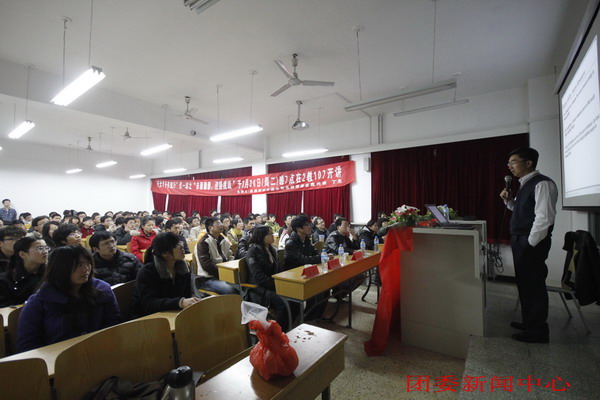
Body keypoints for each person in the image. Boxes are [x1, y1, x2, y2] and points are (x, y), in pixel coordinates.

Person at [500, 147, 558, 344]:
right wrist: (509, 201)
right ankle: (529, 323)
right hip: (521, 241)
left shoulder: (543, 184)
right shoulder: (524, 184)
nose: (510, 167)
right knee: (525, 284)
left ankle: (538, 331)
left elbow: (544, 218)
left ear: (528, 163)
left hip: (531, 243)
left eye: (513, 162)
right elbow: (521, 210)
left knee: (534, 286)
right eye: (509, 163)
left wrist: (529, 243)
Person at [17, 246, 122, 352]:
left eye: (88, 263)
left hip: (98, 350)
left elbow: (113, 324)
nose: (86, 269)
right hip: (56, 356)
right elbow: (28, 344)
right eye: (79, 265)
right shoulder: (40, 300)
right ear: (61, 268)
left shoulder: (101, 289)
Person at [132, 232, 201, 317]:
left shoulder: (182, 267)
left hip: (175, 313)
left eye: (180, 242)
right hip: (149, 318)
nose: (182, 246)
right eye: (176, 245)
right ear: (165, 253)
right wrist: (180, 302)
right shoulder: (146, 272)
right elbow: (149, 304)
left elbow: (187, 294)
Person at [245, 225, 288, 328]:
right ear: (261, 236)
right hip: (259, 289)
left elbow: (278, 269)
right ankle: (279, 331)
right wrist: (277, 286)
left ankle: (289, 327)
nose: (273, 236)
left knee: (294, 298)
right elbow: (259, 277)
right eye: (269, 234)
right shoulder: (253, 252)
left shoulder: (271, 249)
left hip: (271, 284)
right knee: (283, 303)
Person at [0, 237, 48, 307]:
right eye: (40, 248)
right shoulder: (5, 280)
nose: (45, 251)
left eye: (46, 248)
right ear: (22, 254)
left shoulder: (50, 274)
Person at [195, 217, 237, 295]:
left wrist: (230, 271)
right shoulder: (203, 243)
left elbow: (230, 256)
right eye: (218, 223)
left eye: (221, 223)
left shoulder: (224, 240)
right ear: (210, 228)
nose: (221, 225)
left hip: (225, 273)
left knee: (241, 284)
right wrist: (223, 273)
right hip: (208, 278)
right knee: (231, 290)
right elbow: (206, 265)